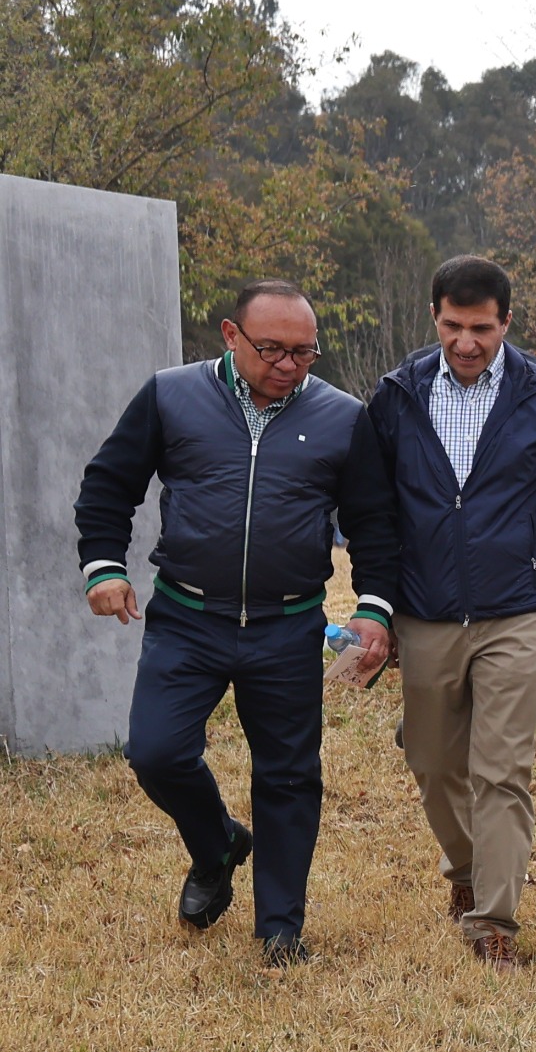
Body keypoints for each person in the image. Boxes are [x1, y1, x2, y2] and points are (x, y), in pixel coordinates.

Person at [75, 281, 400, 966]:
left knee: (287, 775)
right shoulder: (170, 396)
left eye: (304, 351)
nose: (288, 364)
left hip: (288, 627)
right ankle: (218, 842)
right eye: (272, 348)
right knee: (156, 752)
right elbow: (109, 483)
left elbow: (374, 523)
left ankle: (281, 927)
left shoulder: (343, 416)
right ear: (230, 335)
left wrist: (374, 605)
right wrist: (103, 566)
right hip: (187, 619)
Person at [369, 256, 536, 966]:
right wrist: (378, 611)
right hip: (425, 610)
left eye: (481, 328)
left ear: (507, 321)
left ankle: (494, 921)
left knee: (500, 767)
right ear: (435, 318)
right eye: (453, 325)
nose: (467, 341)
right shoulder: (397, 394)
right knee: (432, 761)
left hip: (518, 610)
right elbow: (376, 515)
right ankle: (468, 869)